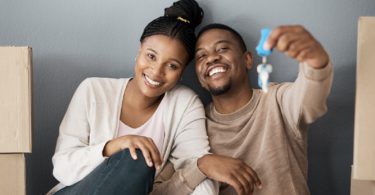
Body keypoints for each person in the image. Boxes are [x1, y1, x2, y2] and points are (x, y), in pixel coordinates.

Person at [47, 0, 213, 194]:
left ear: (182, 71)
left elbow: (199, 167)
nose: (156, 72)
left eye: (172, 66)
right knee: (138, 157)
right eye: (151, 56)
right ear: (139, 51)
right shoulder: (93, 90)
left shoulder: (185, 104)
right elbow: (62, 168)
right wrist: (116, 145)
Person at [155, 24, 333, 195]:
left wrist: (315, 59)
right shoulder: (193, 126)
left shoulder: (277, 101)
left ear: (247, 60)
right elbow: (157, 192)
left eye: (222, 49)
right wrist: (202, 166)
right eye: (201, 56)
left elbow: (311, 97)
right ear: (199, 77)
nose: (211, 58)